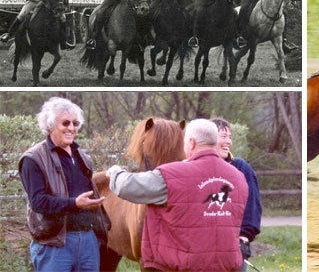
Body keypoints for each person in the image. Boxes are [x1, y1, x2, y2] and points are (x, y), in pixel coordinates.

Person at [106, 119, 249, 272]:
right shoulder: (239, 177)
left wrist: (114, 171)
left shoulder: (174, 176)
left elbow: (127, 186)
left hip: (188, 266)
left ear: (192, 143)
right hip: (227, 265)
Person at [18, 97, 109, 272]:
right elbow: (38, 202)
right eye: (65, 123)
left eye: (75, 123)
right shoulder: (33, 158)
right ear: (51, 125)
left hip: (88, 240)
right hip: (55, 243)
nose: (71, 128)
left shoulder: (82, 156)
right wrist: (74, 203)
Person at [211, 118, 262, 272]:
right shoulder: (194, 169)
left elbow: (252, 205)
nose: (228, 142)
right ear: (210, 139)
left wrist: (245, 237)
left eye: (230, 137)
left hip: (233, 246)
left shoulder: (241, 168)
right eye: (223, 136)